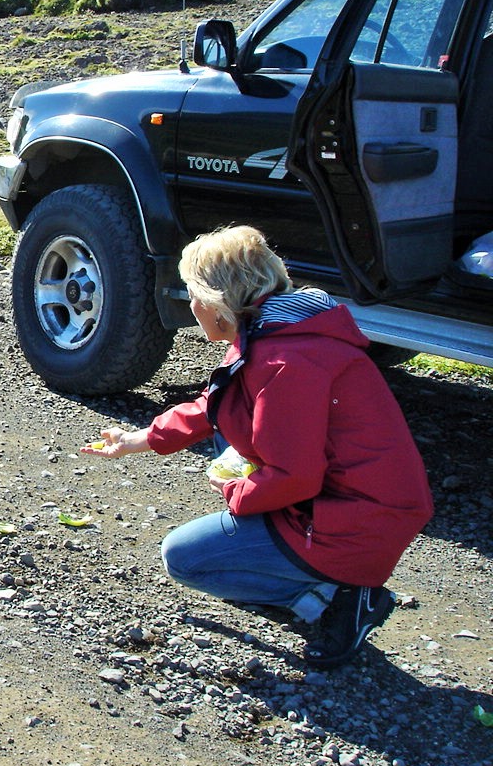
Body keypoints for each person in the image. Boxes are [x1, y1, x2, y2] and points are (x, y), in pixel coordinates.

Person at [82, 225, 432, 669]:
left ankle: (337, 597)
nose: (191, 306)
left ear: (218, 301)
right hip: (348, 498)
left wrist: (236, 493)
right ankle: (300, 570)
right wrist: (139, 440)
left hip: (355, 517)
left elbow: (296, 476)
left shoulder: (284, 361)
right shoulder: (275, 329)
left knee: (185, 560)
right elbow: (215, 405)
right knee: (229, 442)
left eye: (194, 295)